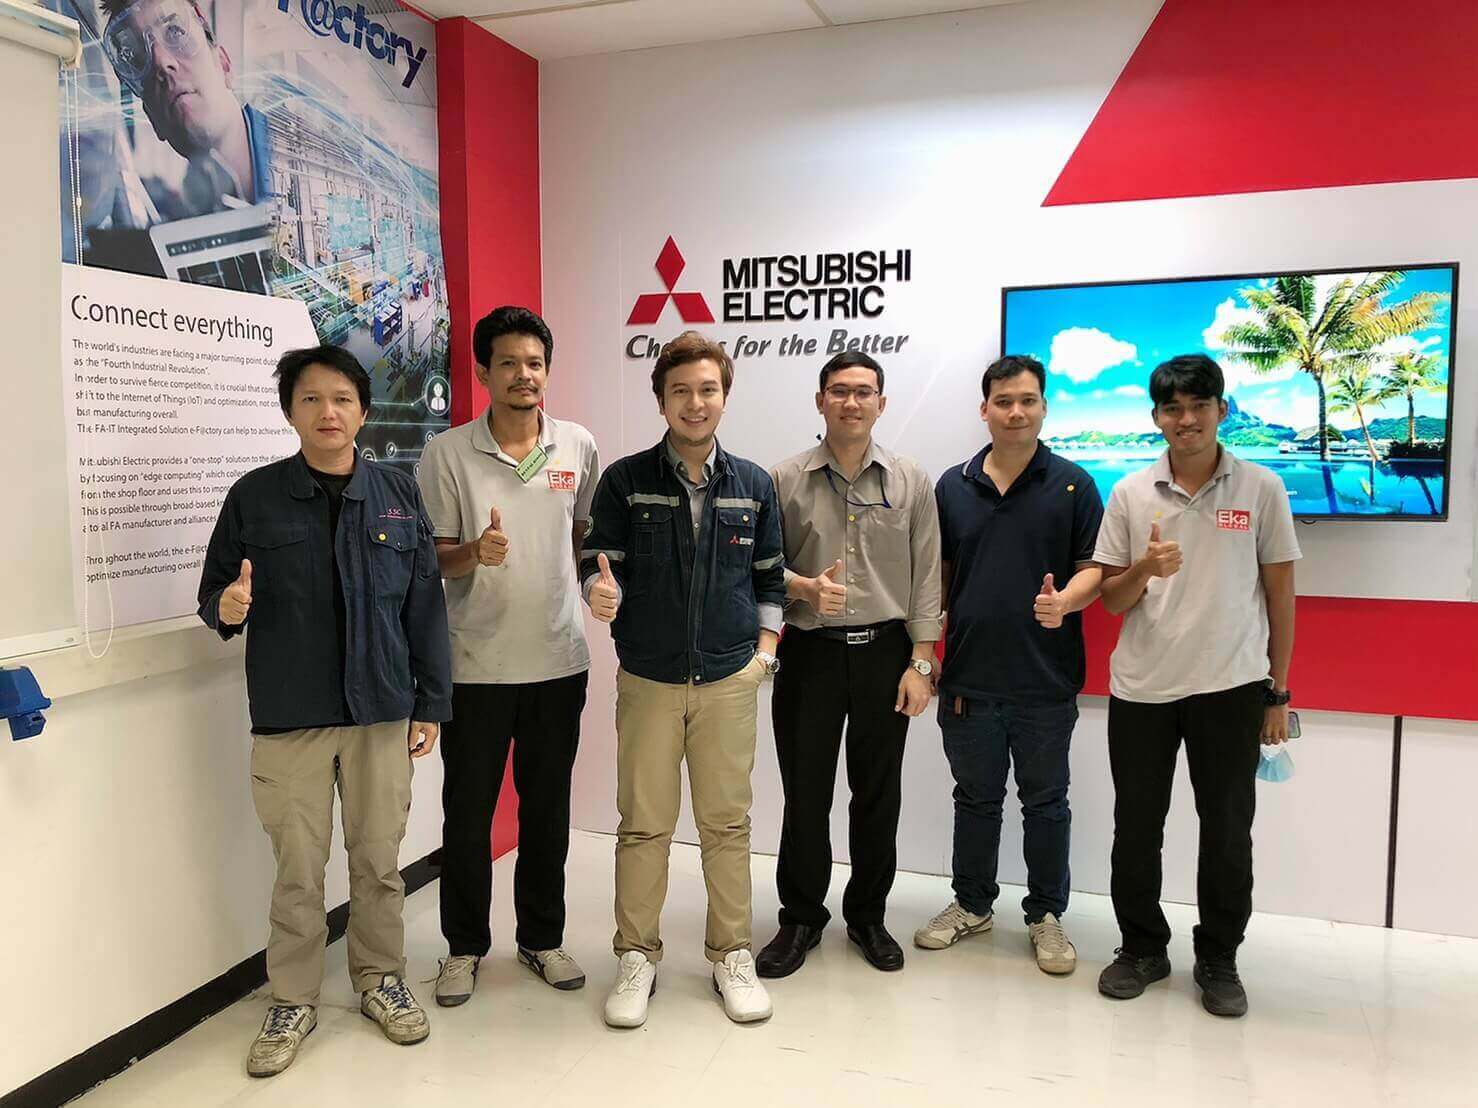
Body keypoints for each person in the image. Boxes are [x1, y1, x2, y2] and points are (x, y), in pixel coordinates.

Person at [197, 345, 451, 1077]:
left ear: (363, 411)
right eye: (310, 399)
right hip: (291, 716)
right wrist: (228, 606)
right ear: (290, 412)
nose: (328, 412)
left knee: (377, 862)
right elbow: (214, 594)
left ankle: (381, 979)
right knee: (299, 872)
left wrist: (431, 701)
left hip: (381, 712)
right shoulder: (255, 497)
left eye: (342, 398)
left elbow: (424, 604)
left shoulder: (397, 493)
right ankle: (293, 998)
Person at [580, 331, 785, 1028]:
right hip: (649, 679)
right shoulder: (625, 480)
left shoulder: (754, 485)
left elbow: (770, 580)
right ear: (661, 400)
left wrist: (763, 655)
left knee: (726, 825)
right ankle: (637, 956)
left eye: (707, 390)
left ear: (724, 396)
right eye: (680, 391)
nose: (695, 403)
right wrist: (599, 593)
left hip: (730, 679)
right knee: (644, 825)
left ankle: (732, 954)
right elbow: (598, 565)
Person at [1092, 353, 1299, 1018]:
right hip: (1142, 688)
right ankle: (1142, 949)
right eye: (1173, 409)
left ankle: (1219, 957)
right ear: (1156, 417)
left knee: (1228, 831)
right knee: (1136, 828)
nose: (1186, 420)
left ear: (1221, 410)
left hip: (1231, 686)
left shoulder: (1262, 488)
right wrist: (1145, 569)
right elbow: (1112, 601)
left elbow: (1281, 595)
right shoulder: (1130, 493)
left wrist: (1278, 692)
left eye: (1199, 406)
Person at [417, 307, 599, 1004]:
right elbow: (434, 559)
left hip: (558, 662)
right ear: (483, 372)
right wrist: (476, 551)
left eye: (535, 363)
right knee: (467, 817)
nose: (525, 375)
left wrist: (595, 582)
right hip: (475, 668)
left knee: (546, 813)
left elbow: (583, 537)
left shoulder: (576, 445)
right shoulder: (447, 454)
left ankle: (541, 939)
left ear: (547, 370)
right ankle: (463, 948)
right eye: (509, 363)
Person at [913, 355, 1102, 974]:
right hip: (968, 680)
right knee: (975, 800)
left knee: (1046, 804)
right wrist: (925, 654)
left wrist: (1065, 601)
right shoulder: (953, 485)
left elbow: (1094, 569)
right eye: (1003, 401)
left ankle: (1046, 915)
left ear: (1044, 407)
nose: (1015, 412)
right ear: (985, 408)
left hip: (1045, 681)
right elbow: (938, 577)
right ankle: (972, 904)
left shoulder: (1073, 484)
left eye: (1027, 401)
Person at [756, 351, 942, 978]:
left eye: (864, 392)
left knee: (877, 794)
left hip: (886, 655)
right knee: (805, 793)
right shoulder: (783, 479)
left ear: (881, 404)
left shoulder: (911, 480)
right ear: (820, 401)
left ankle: (867, 915)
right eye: (839, 391)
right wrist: (803, 589)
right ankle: (801, 917)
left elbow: (927, 576)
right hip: (810, 654)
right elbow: (760, 569)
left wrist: (921, 662)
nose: (852, 402)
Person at [99, 0, 270, 215]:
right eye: (141, 57)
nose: (161, 62)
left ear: (223, 65)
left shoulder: (301, 151)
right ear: (153, 120)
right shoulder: (190, 222)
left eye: (175, 32)